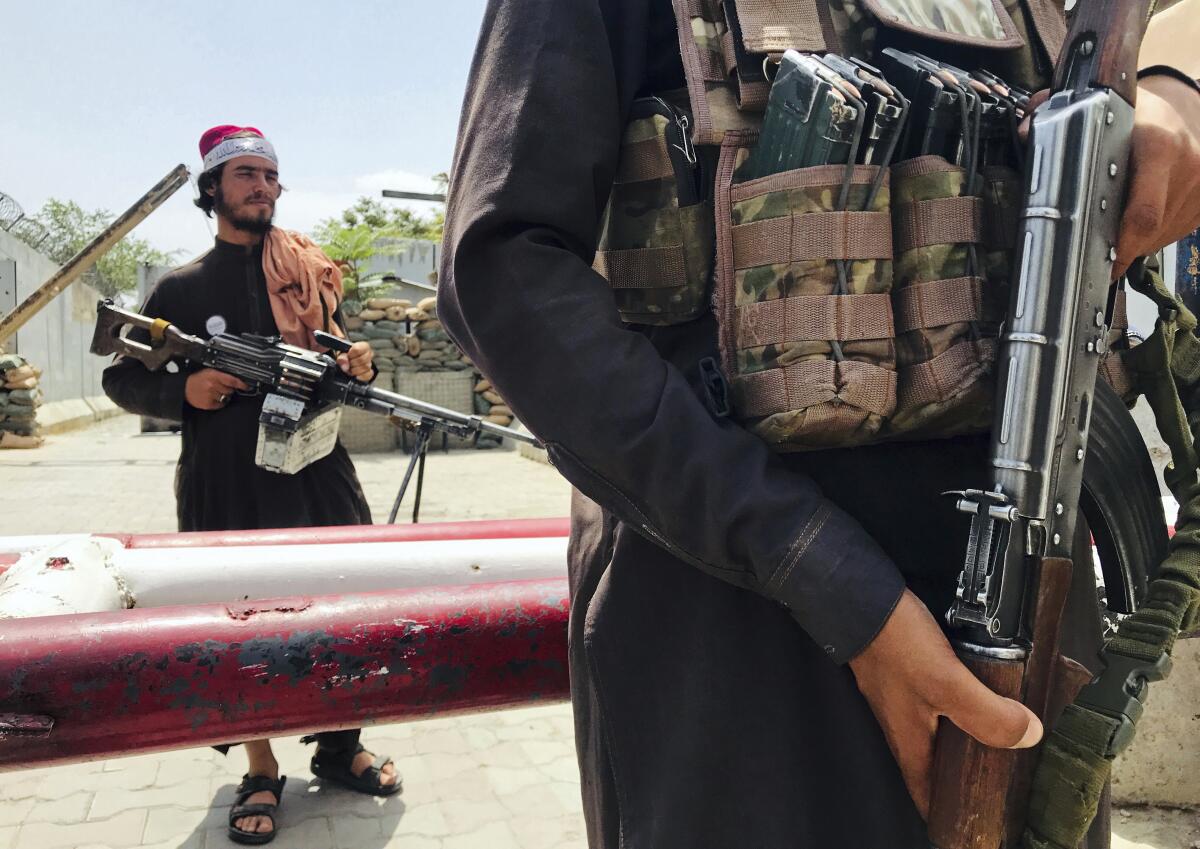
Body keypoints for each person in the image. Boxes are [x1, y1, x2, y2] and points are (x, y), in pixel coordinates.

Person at [438, 2, 1200, 847]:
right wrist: (833, 583)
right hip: (743, 636)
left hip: (1036, 604)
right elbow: (504, 276)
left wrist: (1176, 95)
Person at [102, 125, 400, 845]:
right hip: (226, 482)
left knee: (340, 604)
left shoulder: (305, 275)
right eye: (244, 175)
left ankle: (337, 745)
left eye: (269, 175)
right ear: (213, 190)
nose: (261, 187)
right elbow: (119, 377)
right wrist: (185, 393)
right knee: (241, 620)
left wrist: (357, 365)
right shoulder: (178, 287)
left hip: (318, 472)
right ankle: (260, 765)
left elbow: (333, 360)